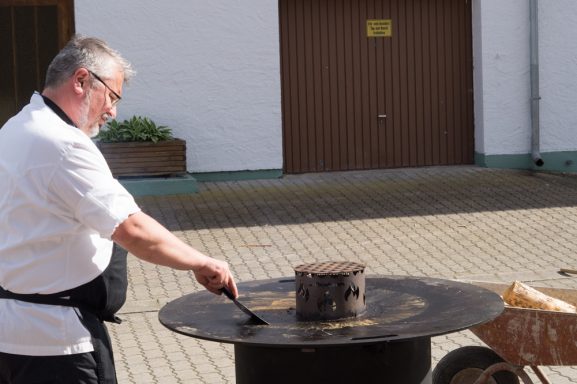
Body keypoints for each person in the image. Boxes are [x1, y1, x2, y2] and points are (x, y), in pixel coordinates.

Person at [0, 35, 238, 384]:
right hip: (58, 344)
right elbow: (132, 230)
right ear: (81, 80)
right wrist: (202, 262)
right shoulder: (64, 145)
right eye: (111, 96)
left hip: (12, 335)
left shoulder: (15, 128)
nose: (112, 111)